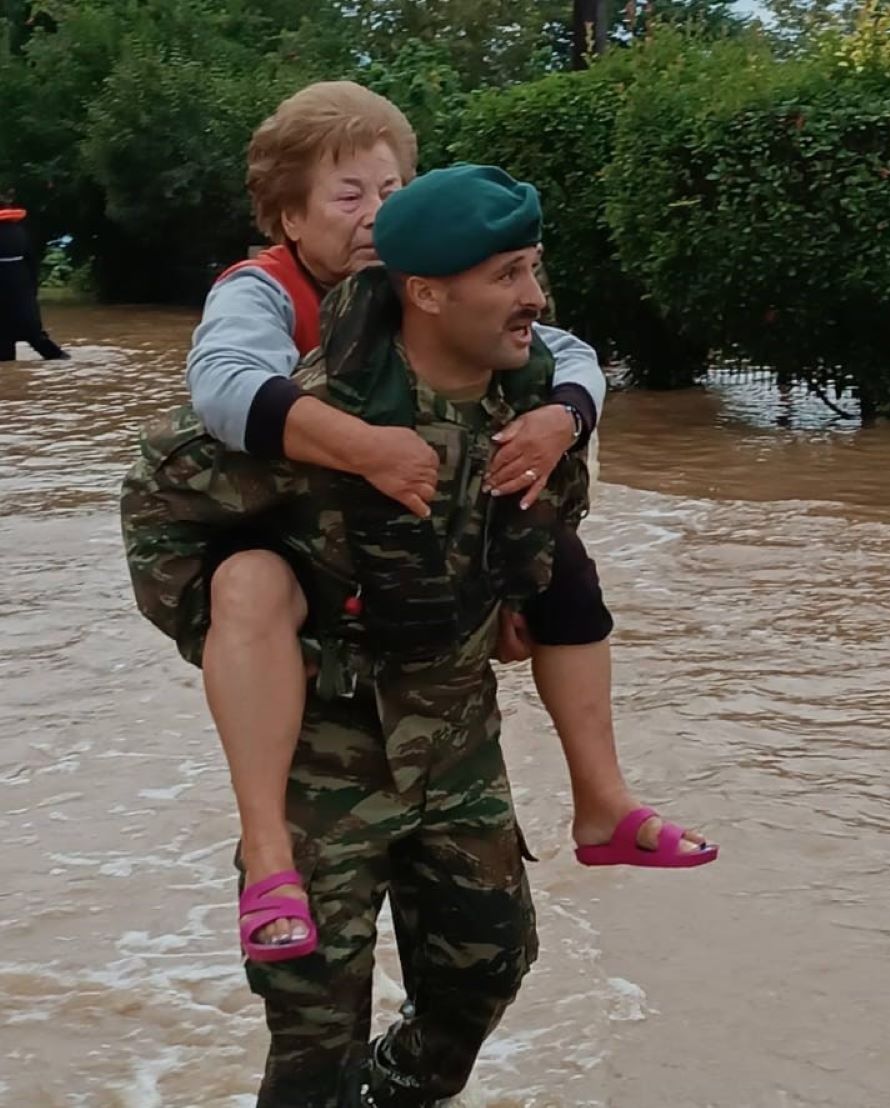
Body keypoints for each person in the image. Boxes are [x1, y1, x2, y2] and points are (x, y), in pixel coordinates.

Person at [122, 164, 640, 1107]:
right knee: (315, 1036)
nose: (535, 298)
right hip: (323, 759)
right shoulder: (313, 417)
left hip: (456, 744)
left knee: (486, 968)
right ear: (428, 293)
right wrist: (237, 620)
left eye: (534, 270)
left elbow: (550, 528)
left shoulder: (535, 418)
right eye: (510, 277)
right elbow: (159, 502)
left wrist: (507, 604)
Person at [185, 82, 715, 958]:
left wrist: (560, 419)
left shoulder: (432, 287)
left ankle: (602, 799)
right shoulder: (263, 293)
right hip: (289, 527)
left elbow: (568, 357)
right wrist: (364, 446)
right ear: (288, 218)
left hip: (416, 566)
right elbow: (225, 387)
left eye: (391, 192)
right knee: (249, 584)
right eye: (346, 195)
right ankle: (270, 851)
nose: (373, 215)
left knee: (565, 561)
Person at [0, 193, 68, 362]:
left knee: (5, 339)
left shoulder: (16, 232)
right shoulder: (20, 232)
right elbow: (32, 262)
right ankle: (60, 359)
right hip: (22, 287)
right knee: (32, 333)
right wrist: (33, 289)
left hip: (10, 287)